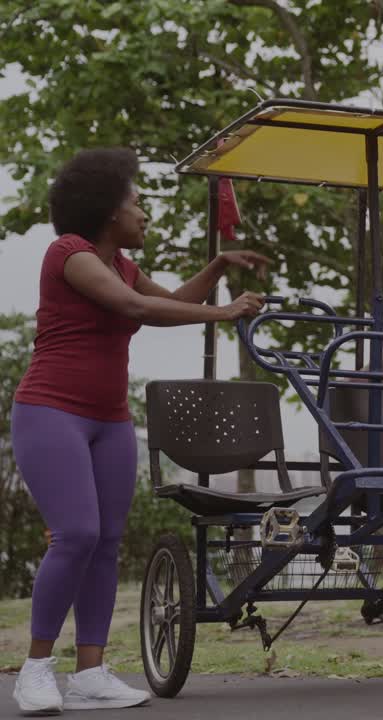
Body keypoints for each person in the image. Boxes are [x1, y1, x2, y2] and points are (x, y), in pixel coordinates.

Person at [9, 148, 268, 715]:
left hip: (110, 420)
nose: (144, 213)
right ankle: (35, 669)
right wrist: (226, 315)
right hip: (51, 412)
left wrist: (218, 268)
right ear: (108, 212)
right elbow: (134, 308)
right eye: (136, 202)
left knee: (104, 543)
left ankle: (91, 672)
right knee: (75, 534)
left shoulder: (122, 264)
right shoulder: (70, 254)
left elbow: (169, 300)